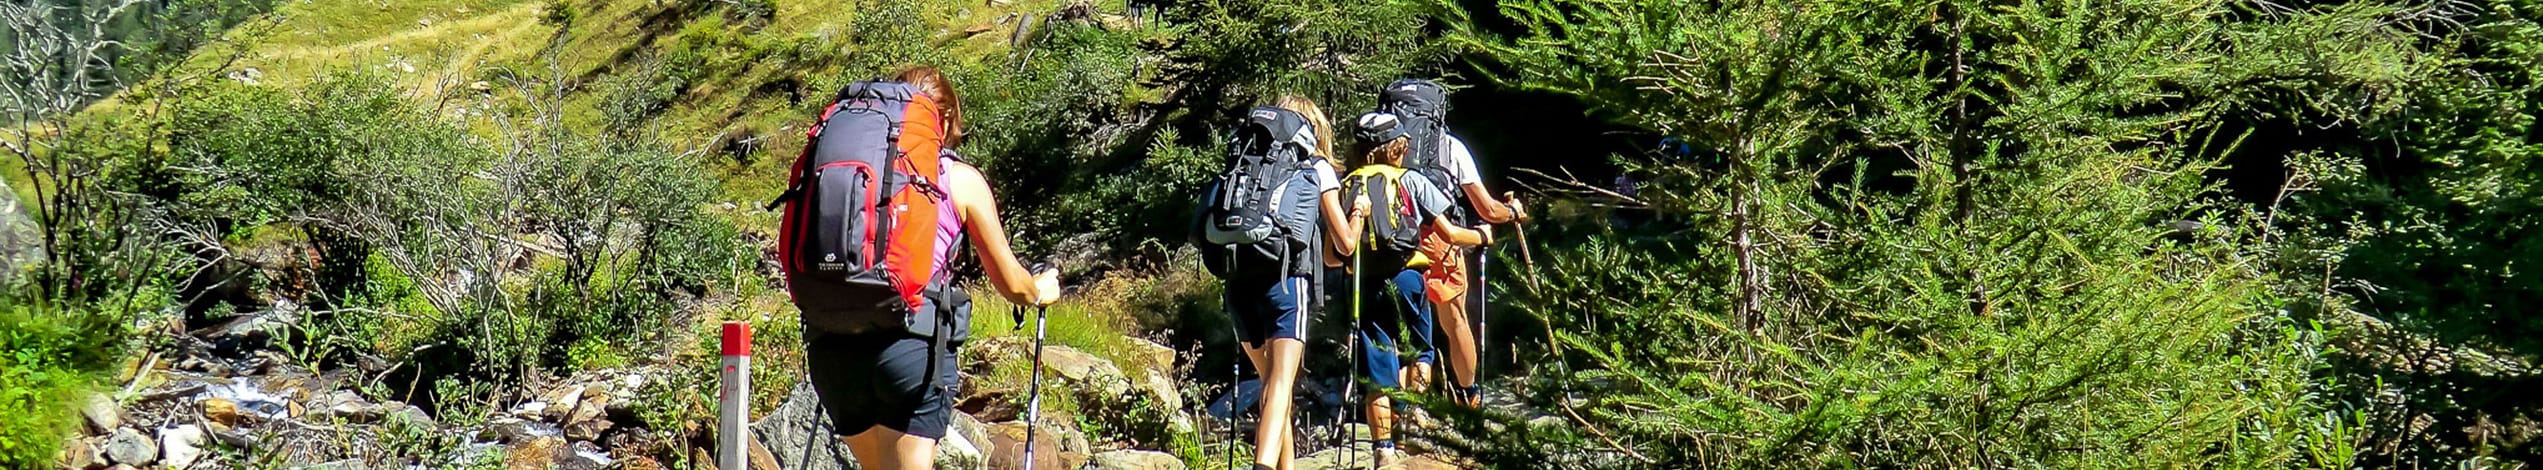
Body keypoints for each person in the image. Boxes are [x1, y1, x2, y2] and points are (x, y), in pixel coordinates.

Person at [800, 65, 1064, 470]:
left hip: (832, 350)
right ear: (942, 119)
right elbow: (1013, 285)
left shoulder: (852, 164)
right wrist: (1041, 289)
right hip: (910, 347)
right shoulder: (959, 179)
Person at [1220, 95, 1357, 470]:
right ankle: (1262, 466)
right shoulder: (1317, 167)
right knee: (1280, 384)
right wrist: (1358, 213)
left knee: (1271, 384)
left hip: (1238, 281)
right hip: (1287, 281)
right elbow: (1341, 247)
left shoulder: (1246, 159)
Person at [1344, 111, 1480, 466]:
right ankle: (1412, 422)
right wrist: (1482, 235)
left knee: (1378, 369)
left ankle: (1383, 451)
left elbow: (1336, 251)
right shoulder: (1410, 181)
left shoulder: (1347, 185)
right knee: (1421, 352)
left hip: (1364, 282)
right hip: (1407, 278)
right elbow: (1449, 232)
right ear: (1395, 150)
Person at [1394, 85, 1527, 408]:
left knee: (1400, 328)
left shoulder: (1382, 146)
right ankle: (1468, 395)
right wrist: (1513, 212)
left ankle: (1400, 408)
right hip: (1441, 240)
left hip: (1391, 239)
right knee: (1454, 321)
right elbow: (1487, 210)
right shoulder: (1448, 146)